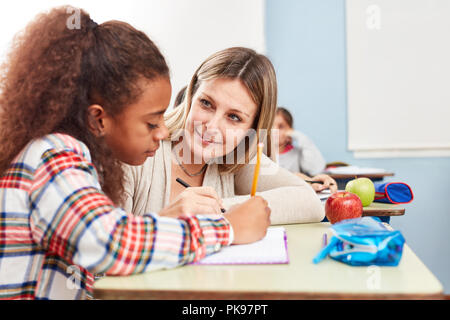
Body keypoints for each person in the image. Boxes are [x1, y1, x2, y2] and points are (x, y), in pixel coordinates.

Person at [0, 7, 270, 300]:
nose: (164, 132)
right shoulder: (53, 158)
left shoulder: (80, 161)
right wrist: (226, 227)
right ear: (98, 119)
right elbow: (109, 243)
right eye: (151, 122)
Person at [121, 47, 325, 225]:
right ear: (191, 95)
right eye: (206, 103)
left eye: (234, 117)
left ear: (250, 129)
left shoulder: (236, 158)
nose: (212, 127)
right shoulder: (137, 151)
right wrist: (170, 219)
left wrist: (215, 209)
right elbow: (104, 253)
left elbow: (310, 203)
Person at [273, 107, 337, 193]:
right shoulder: (261, 154)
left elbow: (316, 169)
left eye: (281, 127)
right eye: (270, 125)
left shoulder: (297, 153)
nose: (274, 130)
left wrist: (297, 135)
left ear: (290, 130)